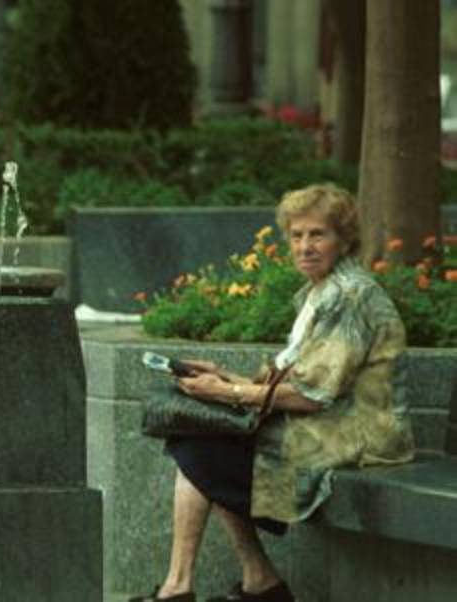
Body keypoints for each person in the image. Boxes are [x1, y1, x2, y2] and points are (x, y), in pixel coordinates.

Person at [132, 183, 415, 602]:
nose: (305, 246)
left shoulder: (348, 297)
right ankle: (254, 581)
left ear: (343, 240)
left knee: (200, 451)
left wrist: (227, 394)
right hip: (329, 422)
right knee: (201, 446)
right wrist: (224, 377)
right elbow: (293, 377)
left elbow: (310, 396)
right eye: (297, 235)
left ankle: (190, 587)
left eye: (318, 234)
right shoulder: (320, 293)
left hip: (360, 434)